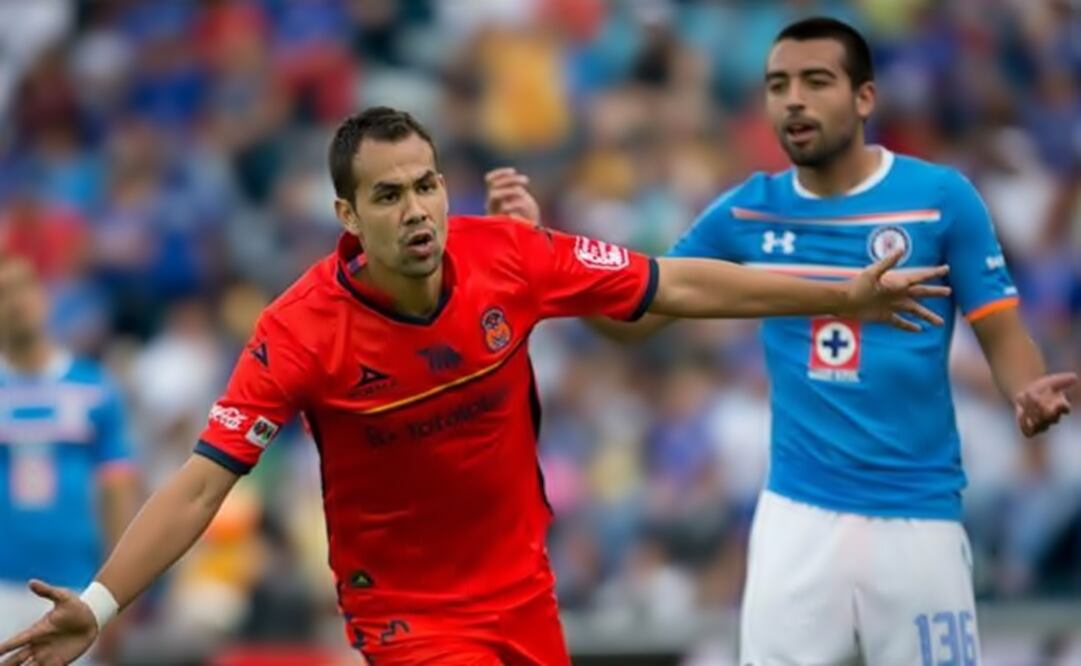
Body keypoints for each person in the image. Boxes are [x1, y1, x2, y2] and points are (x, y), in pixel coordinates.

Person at [0, 106, 949, 666]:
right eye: (387, 195)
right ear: (346, 213)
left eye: (425, 185)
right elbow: (202, 481)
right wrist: (103, 602)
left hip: (523, 591)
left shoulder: (511, 258)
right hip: (405, 612)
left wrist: (844, 296)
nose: (415, 210)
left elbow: (678, 282)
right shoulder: (296, 331)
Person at [487, 16, 1078, 666]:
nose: (792, 98)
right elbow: (636, 318)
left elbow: (1001, 330)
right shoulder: (747, 209)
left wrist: (1023, 389)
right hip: (797, 518)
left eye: (815, 81)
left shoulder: (939, 199)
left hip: (917, 517)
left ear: (863, 98)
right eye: (777, 85)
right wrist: (541, 250)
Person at [0, 254, 140, 665]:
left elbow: (118, 492)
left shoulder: (94, 388)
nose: (15, 302)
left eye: (23, 289)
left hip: (74, 586)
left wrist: (115, 595)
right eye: (3, 293)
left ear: (43, 299)